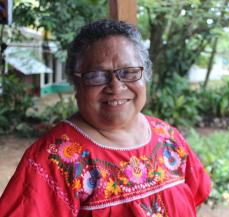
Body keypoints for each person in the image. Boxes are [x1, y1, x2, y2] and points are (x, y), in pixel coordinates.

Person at [0, 19, 211, 217]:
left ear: (145, 74)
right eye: (97, 76)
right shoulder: (56, 158)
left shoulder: (168, 138)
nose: (116, 87)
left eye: (128, 72)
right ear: (76, 83)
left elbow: (195, 194)